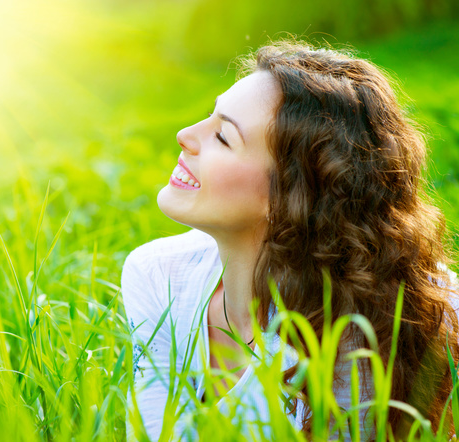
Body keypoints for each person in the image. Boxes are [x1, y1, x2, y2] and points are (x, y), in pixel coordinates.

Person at [121, 40, 459, 440]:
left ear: (291, 196)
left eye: (224, 137)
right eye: (209, 117)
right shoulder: (160, 276)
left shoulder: (372, 333)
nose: (185, 135)